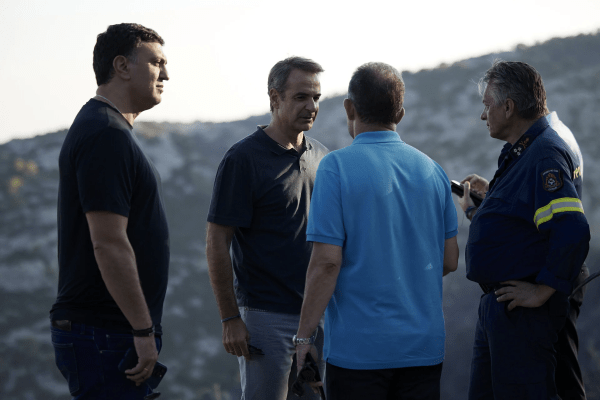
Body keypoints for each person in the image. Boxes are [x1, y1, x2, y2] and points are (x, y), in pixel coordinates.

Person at [294, 62, 459, 400]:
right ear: (400, 113)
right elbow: (449, 260)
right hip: (423, 349)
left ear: (349, 108)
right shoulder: (434, 171)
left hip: (359, 353)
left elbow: (326, 263)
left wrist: (304, 338)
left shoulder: (335, 168)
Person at [50, 23, 170, 399]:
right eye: (157, 63)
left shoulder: (108, 129)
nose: (166, 75)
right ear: (122, 66)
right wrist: (142, 330)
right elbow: (108, 243)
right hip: (106, 332)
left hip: (108, 331)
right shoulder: (106, 134)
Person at [458, 60, 590, 400]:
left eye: (487, 105)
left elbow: (572, 227)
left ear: (508, 107)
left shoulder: (545, 153)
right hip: (506, 308)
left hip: (523, 311)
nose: (483, 115)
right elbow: (528, 214)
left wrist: (542, 290)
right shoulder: (531, 146)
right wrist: (488, 201)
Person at [206, 56, 329, 400]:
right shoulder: (243, 159)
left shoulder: (322, 156)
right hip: (266, 317)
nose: (311, 106)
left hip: (317, 316)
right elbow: (217, 242)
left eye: (316, 97)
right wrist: (230, 318)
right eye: (301, 97)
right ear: (275, 98)